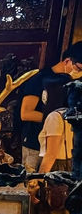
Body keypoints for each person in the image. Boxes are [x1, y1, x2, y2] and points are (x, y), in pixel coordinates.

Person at [19, 41, 82, 170]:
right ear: (67, 61)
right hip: (35, 143)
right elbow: (25, 113)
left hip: (61, 147)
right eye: (79, 69)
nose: (80, 73)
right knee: (32, 183)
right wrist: (55, 118)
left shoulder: (73, 83)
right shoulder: (40, 79)